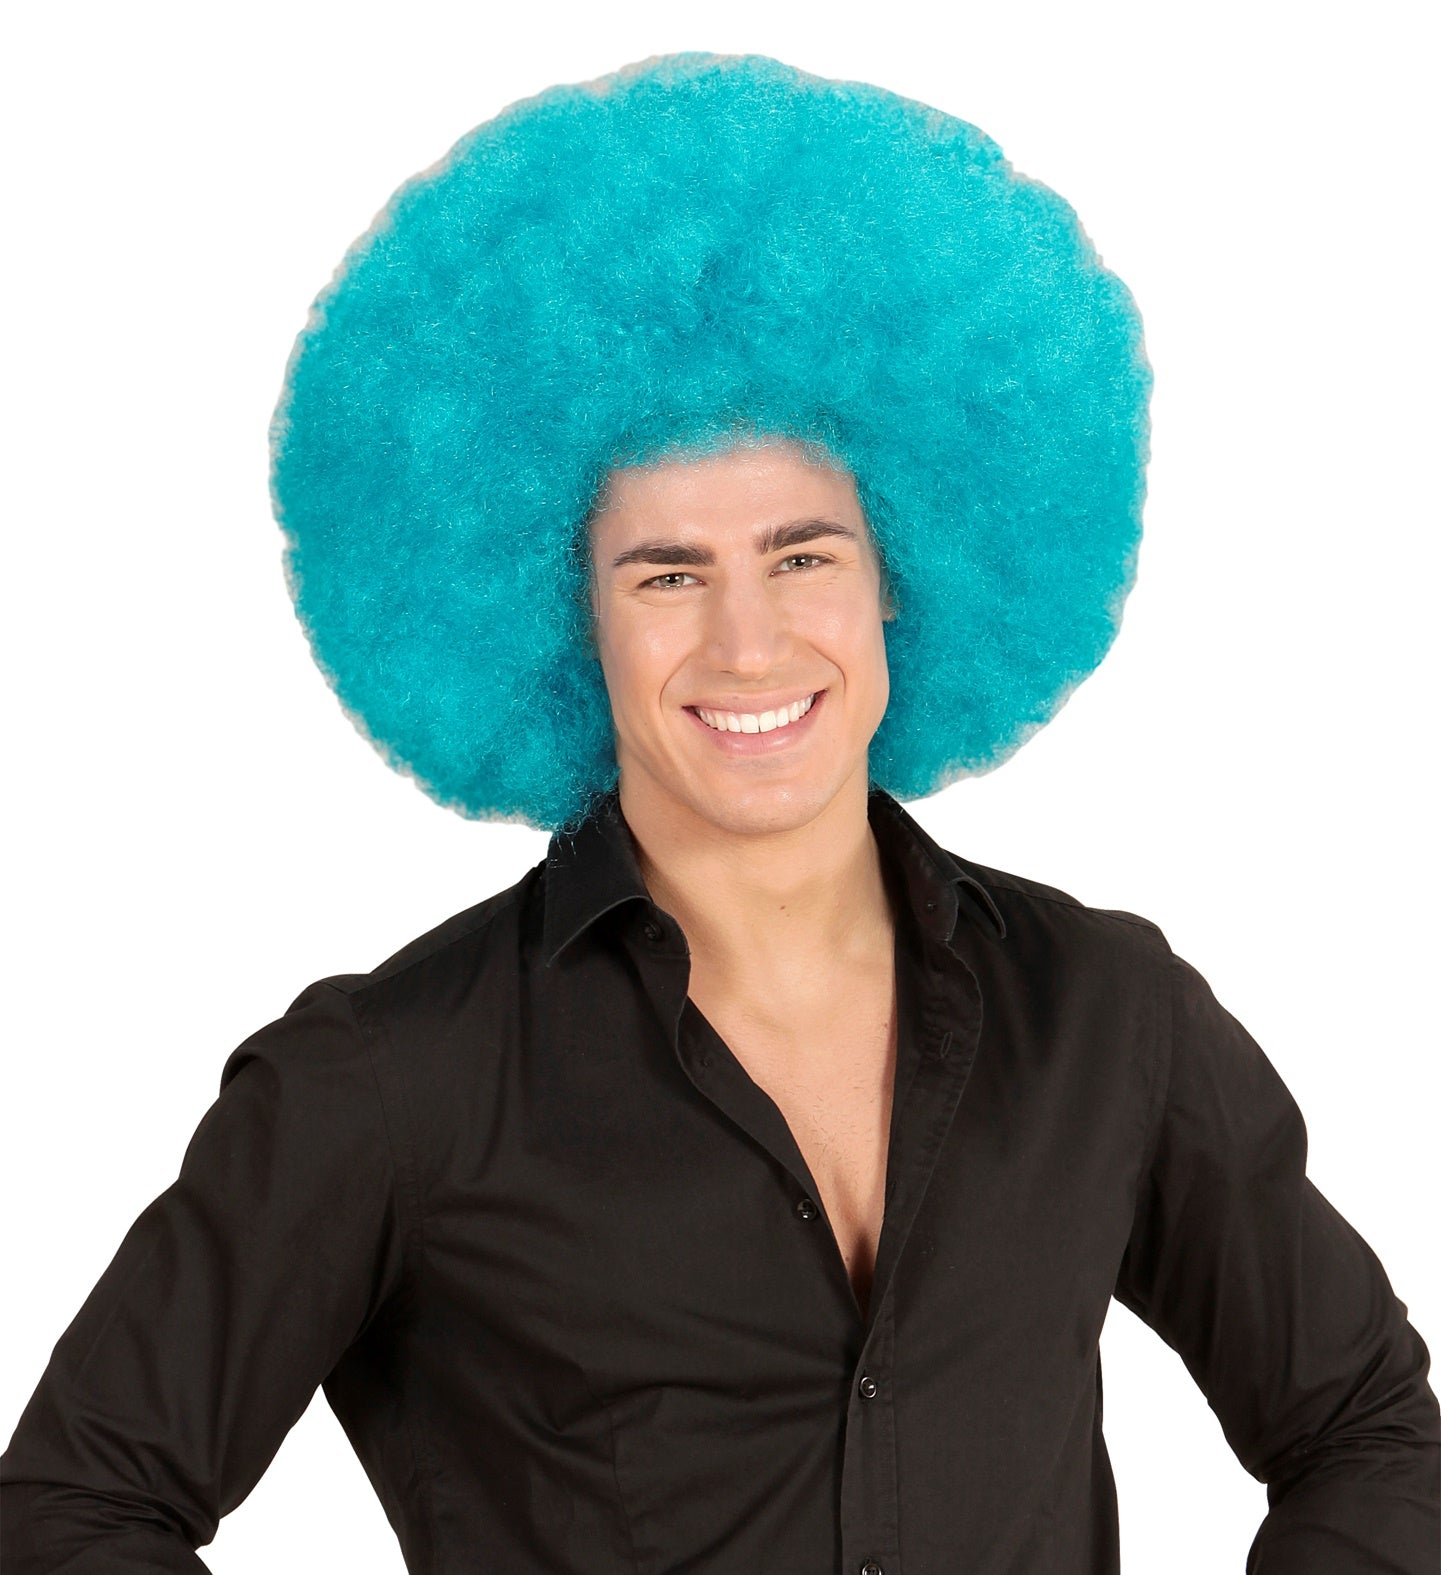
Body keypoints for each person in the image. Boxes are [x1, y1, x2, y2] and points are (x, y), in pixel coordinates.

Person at [3, 51, 1437, 1574]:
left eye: (802, 557)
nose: (748, 646)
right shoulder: (394, 1081)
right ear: (571, 617)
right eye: (668, 575)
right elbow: (73, 1513)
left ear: (897, 577)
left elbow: (1366, 1434)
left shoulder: (1101, 1013)